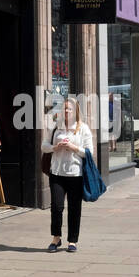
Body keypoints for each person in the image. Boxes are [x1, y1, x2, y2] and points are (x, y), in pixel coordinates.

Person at [42, 95, 94, 252]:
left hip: (75, 174)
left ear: (75, 111)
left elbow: (89, 152)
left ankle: (72, 241)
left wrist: (73, 147)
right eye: (64, 108)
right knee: (56, 207)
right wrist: (54, 148)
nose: (66, 111)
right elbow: (44, 146)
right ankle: (56, 238)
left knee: (74, 208)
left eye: (69, 109)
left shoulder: (83, 128)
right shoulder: (55, 127)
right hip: (57, 173)